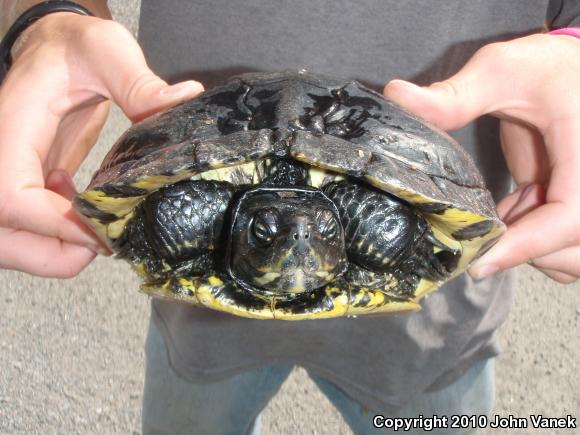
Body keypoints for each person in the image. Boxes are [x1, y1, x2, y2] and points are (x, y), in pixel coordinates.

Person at [0, 0, 578, 434]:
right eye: (268, 230)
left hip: (432, 341)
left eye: (323, 228)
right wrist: (47, 21)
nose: (298, 236)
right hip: (197, 329)